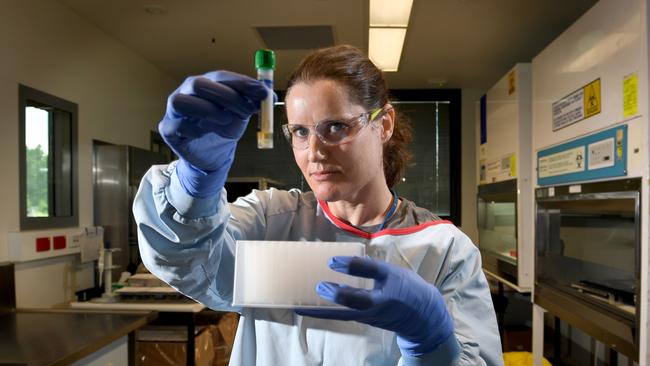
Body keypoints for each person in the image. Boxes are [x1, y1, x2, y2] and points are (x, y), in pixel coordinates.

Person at [134, 45, 502, 365]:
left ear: (384, 123)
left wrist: (431, 343)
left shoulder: (444, 250)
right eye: (300, 132)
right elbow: (189, 258)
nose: (314, 153)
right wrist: (194, 182)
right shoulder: (271, 222)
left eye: (336, 128)